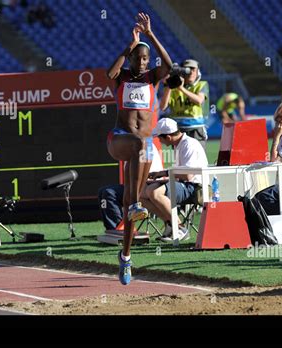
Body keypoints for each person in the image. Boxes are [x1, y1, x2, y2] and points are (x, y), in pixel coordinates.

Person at [106, 12, 172, 285]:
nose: (144, 63)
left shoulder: (152, 79)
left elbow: (169, 66)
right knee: (139, 144)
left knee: (129, 203)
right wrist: (130, 45)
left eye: (146, 59)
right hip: (119, 139)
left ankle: (126, 257)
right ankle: (134, 203)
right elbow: (109, 72)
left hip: (143, 148)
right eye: (139, 58)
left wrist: (151, 35)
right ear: (132, 58)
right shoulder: (121, 77)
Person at [141, 118, 208, 242]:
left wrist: (164, 173)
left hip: (196, 188)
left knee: (154, 192)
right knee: (141, 194)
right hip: (186, 185)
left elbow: (188, 175)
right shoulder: (180, 144)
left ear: (168, 137)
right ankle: (170, 224)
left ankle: (180, 228)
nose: (159, 140)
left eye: (159, 138)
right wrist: (164, 175)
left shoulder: (189, 144)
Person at [98, 144, 164, 231]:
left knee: (109, 192)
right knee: (102, 191)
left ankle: (120, 228)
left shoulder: (144, 145)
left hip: (147, 186)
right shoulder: (132, 147)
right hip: (135, 187)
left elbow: (147, 175)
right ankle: (111, 229)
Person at [160, 59, 209, 149]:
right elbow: (163, 107)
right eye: (187, 69)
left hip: (196, 129)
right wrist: (168, 86)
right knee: (180, 161)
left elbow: (199, 100)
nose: (190, 72)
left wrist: (181, 88)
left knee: (198, 160)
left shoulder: (201, 85)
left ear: (198, 72)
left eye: (193, 69)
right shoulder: (172, 88)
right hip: (178, 131)